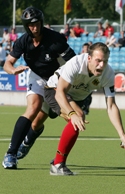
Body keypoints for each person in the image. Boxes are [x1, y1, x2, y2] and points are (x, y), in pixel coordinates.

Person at [1, 6, 76, 169]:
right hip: (36, 77)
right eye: (30, 25)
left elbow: (74, 62)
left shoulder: (56, 39)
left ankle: (28, 143)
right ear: (26, 26)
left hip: (57, 79)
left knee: (40, 122)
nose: (34, 28)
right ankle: (11, 154)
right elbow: (8, 63)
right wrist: (13, 70)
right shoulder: (22, 41)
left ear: (42, 23)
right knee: (33, 107)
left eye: (36, 24)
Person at [43, 42, 125, 175]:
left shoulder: (108, 73)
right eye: (98, 60)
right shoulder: (76, 63)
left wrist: (122, 135)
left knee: (75, 117)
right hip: (55, 89)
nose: (101, 65)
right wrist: (72, 113)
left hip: (78, 98)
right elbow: (60, 92)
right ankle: (57, 165)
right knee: (78, 117)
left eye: (105, 61)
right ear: (89, 58)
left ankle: (58, 159)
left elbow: (111, 106)